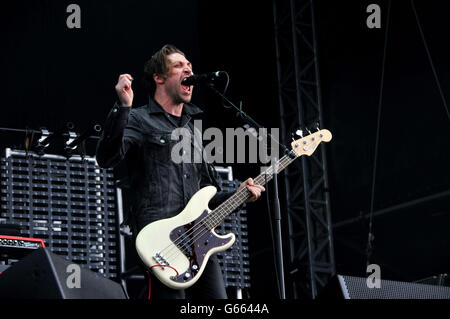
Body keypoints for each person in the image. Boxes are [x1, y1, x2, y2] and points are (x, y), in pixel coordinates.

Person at [96, 44, 265, 299]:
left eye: (190, 67)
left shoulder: (194, 133)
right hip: (160, 243)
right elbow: (106, 158)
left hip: (199, 242)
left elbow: (209, 197)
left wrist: (240, 195)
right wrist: (123, 107)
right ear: (159, 78)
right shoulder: (139, 119)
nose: (188, 69)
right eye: (179, 66)